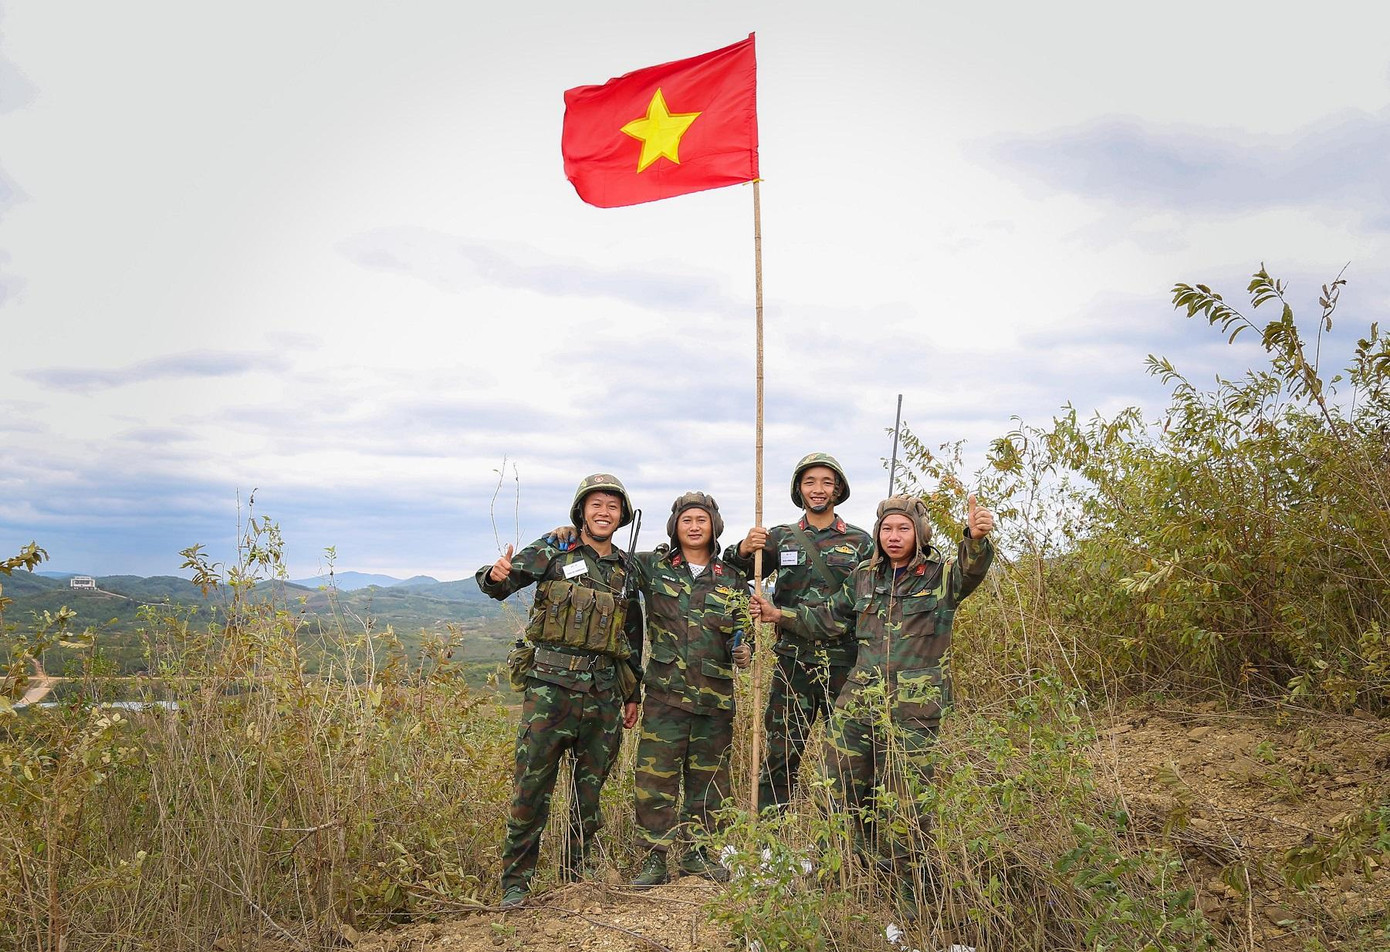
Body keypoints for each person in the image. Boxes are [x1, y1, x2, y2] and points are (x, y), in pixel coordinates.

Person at [750, 492, 995, 916]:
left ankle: (908, 888)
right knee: (837, 784)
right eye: (887, 528)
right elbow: (828, 617)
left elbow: (971, 571)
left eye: (903, 528)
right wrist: (779, 615)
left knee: (906, 798)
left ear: (919, 533)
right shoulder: (864, 577)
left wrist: (974, 539)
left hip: (915, 707)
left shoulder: (940, 576)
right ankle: (842, 870)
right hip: (859, 700)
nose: (894, 536)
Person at [475, 473, 644, 908]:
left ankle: (576, 877)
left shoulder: (628, 569)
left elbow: (632, 635)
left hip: (604, 696)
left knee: (588, 796)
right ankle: (516, 884)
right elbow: (501, 583)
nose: (604, 512)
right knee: (531, 791)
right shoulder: (556, 548)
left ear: (622, 514)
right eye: (596, 504)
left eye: (612, 505)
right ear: (581, 511)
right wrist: (494, 575)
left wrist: (632, 694)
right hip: (550, 693)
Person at [723, 453, 873, 810]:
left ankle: (848, 842)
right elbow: (730, 572)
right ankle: (771, 845)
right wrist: (745, 549)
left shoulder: (861, 541)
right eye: (810, 482)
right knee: (781, 754)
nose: (818, 489)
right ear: (799, 489)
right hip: (794, 664)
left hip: (846, 666)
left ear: (838, 488)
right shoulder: (781, 538)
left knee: (851, 758)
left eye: (826, 482)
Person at [629, 492, 752, 886]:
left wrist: (745, 648)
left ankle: (699, 853)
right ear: (675, 527)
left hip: (714, 699)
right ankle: (655, 858)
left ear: (714, 525)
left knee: (710, 781)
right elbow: (608, 558)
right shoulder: (654, 567)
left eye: (702, 519)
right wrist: (571, 533)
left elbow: (741, 630)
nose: (695, 526)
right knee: (655, 780)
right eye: (687, 520)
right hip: (664, 696)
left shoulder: (731, 579)